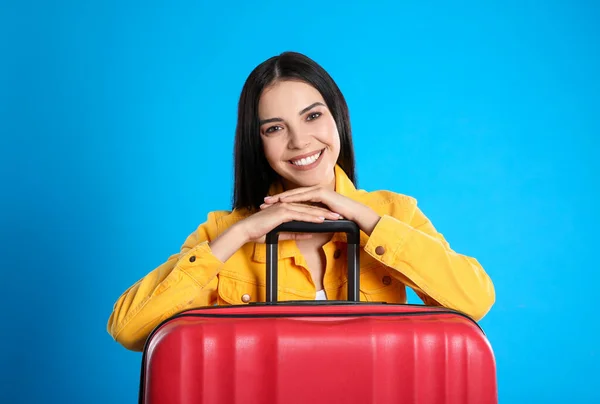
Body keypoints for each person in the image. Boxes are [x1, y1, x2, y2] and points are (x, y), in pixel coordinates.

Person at [107, 52, 495, 352]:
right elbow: (130, 329)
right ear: (257, 143)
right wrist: (240, 233)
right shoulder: (227, 234)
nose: (299, 141)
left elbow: (474, 301)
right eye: (275, 128)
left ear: (337, 118)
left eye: (312, 116)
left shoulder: (393, 214)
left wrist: (363, 218)